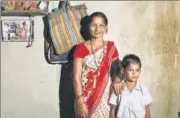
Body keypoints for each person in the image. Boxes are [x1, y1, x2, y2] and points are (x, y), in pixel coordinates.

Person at [73, 12, 121, 118]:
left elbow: (117, 69)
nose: (97, 29)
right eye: (94, 25)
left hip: (104, 98)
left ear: (106, 27)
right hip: (84, 97)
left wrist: (117, 80)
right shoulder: (80, 48)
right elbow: (76, 78)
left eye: (101, 25)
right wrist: (80, 101)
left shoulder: (110, 47)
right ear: (88, 27)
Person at [109, 54, 153, 118]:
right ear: (123, 71)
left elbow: (147, 111)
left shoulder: (144, 90)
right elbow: (112, 110)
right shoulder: (118, 88)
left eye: (137, 70)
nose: (134, 73)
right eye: (130, 70)